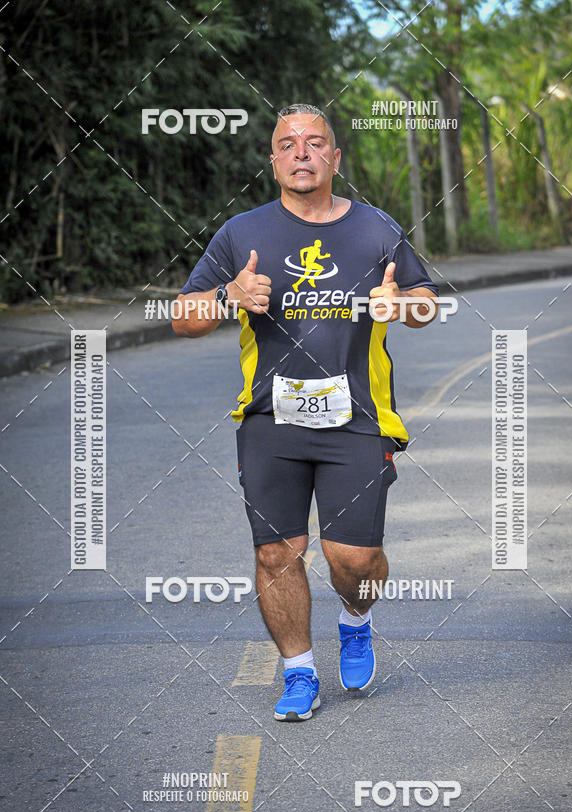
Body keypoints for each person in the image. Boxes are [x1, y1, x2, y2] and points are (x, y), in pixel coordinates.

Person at [173, 103, 439, 721]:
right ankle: (298, 672)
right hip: (270, 419)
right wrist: (227, 295)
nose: (301, 152)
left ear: (334, 158)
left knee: (355, 562)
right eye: (287, 143)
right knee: (276, 553)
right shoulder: (241, 233)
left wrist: (400, 304)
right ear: (272, 161)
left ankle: (356, 617)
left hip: (358, 419)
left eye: (314, 142)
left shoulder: (376, 228)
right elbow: (184, 317)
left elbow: (427, 303)